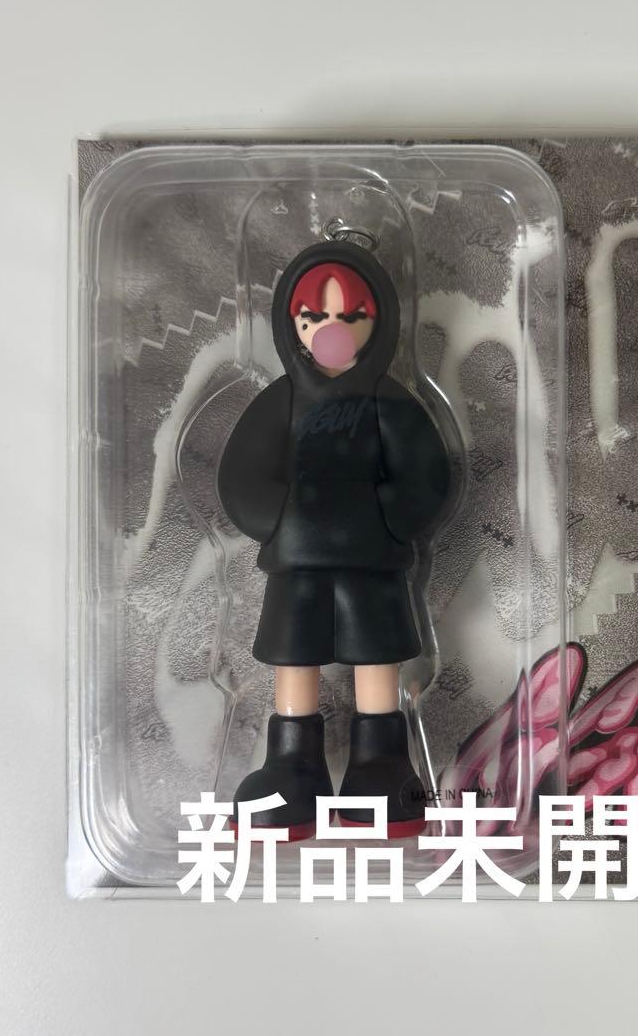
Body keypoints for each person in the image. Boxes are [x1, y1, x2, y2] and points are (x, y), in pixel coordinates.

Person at [218, 242, 450, 839]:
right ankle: (292, 766)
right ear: (292, 325)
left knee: (377, 655)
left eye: (350, 316)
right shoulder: (280, 402)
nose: (332, 330)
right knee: (295, 656)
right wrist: (282, 516)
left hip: (374, 563)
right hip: (297, 567)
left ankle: (380, 763)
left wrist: (385, 514)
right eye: (315, 317)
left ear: (378, 323)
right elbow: (240, 477)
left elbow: (427, 475)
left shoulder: (390, 404)